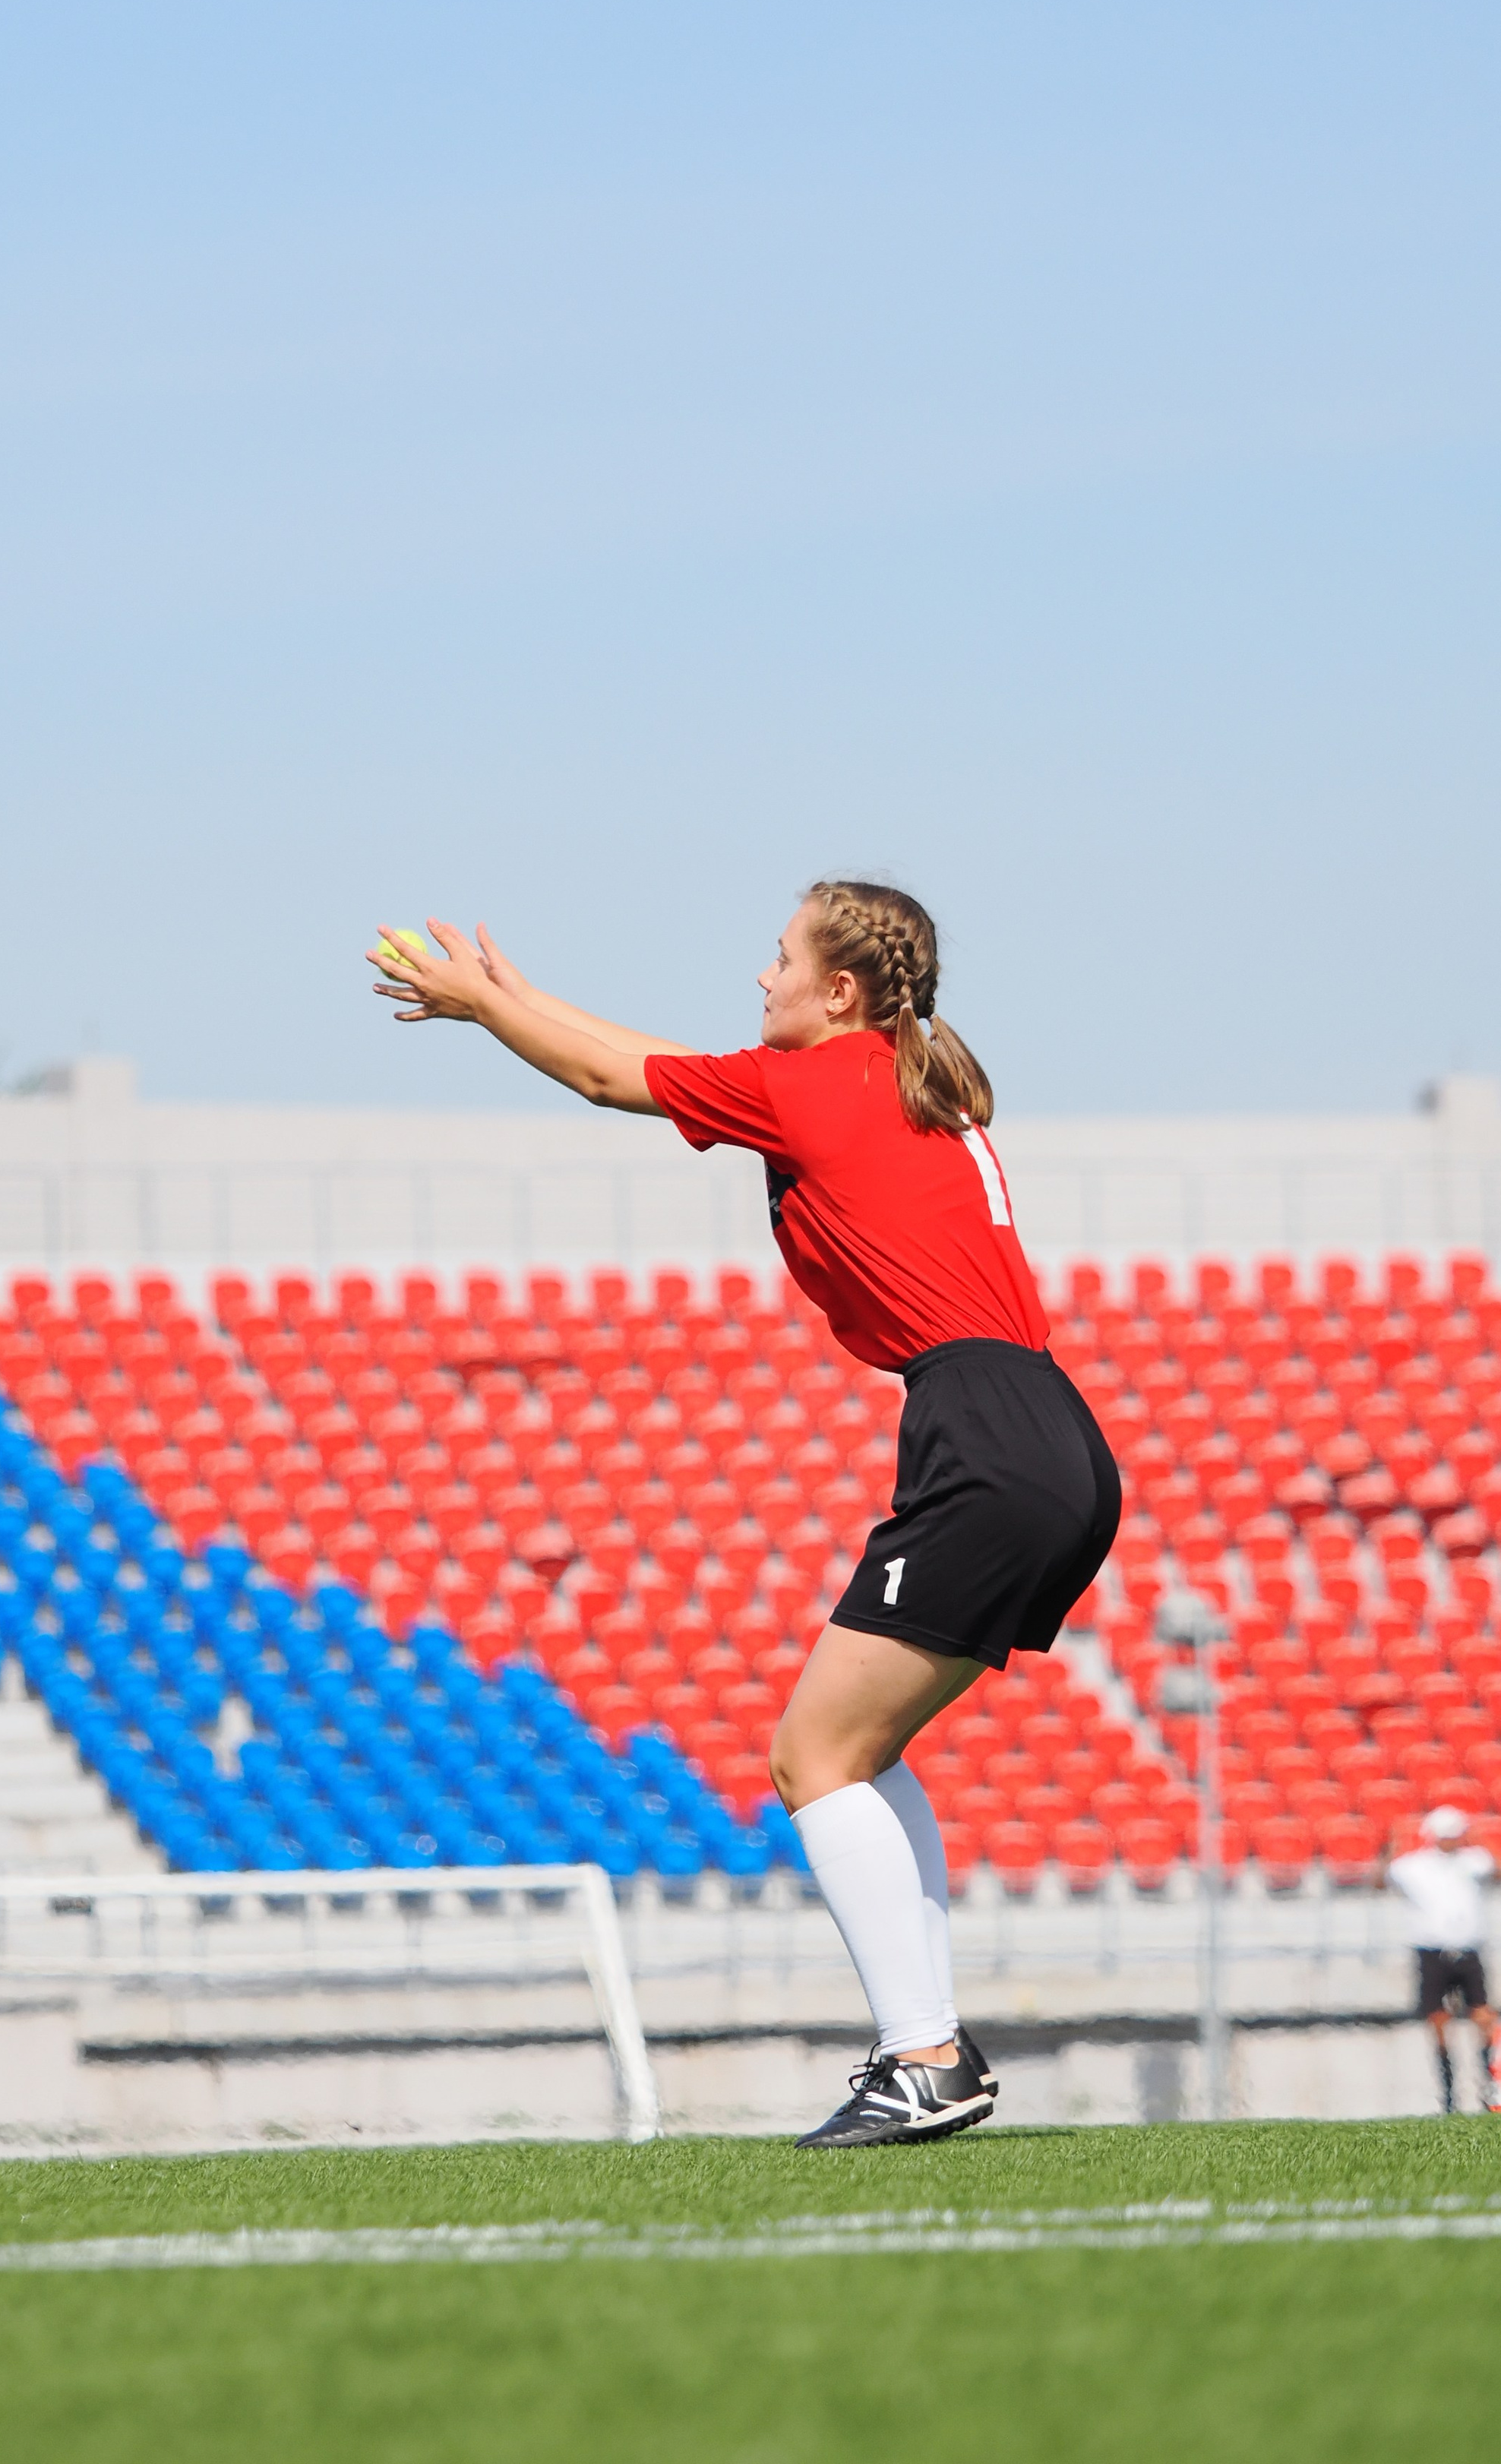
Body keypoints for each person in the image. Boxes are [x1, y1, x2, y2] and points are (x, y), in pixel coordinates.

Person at [369, 879, 1121, 2146]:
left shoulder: (817, 1081)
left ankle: (924, 2055)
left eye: (780, 960)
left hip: (983, 1435)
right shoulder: (887, 1076)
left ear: (841, 993)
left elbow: (617, 1080)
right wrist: (502, 995)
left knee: (810, 1759)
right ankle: (929, 2048)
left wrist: (488, 1014)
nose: (758, 977)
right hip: (1046, 1433)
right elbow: (645, 1057)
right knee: (856, 1755)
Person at [1387, 1805, 1501, 2114]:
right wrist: (1391, 1847)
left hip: (1467, 1949)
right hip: (1432, 1951)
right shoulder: (1414, 1866)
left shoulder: (1473, 1861)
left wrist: (1483, 1841)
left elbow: (1500, 1873)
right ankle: (1449, 2094)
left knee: (1483, 2017)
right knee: (1438, 2021)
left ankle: (1487, 2088)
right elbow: (1381, 1880)